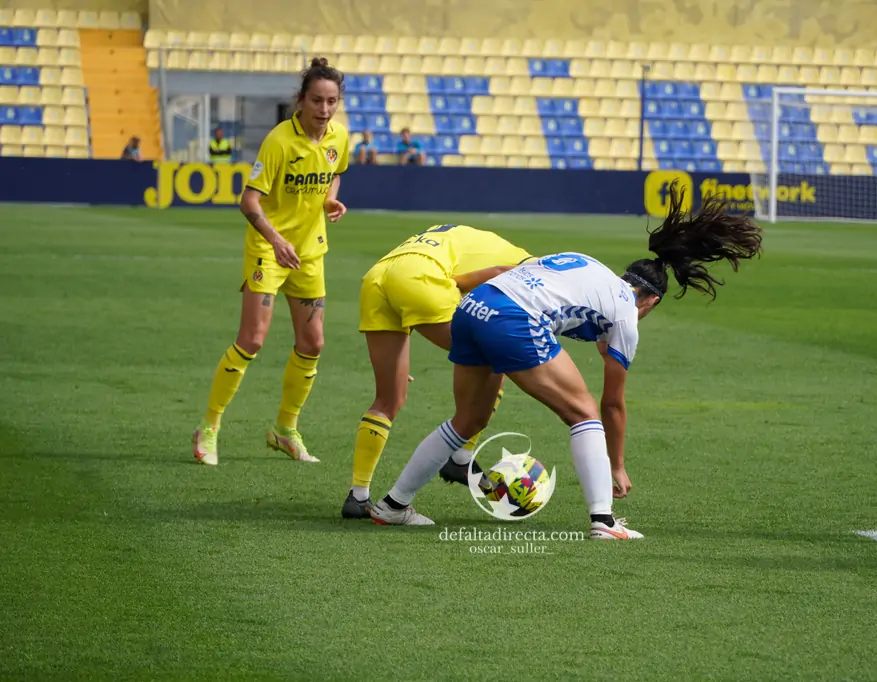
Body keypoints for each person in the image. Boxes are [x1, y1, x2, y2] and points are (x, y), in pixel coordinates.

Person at [368, 182, 763, 539]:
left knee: (468, 420)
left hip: (474, 307)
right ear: (652, 301)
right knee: (584, 412)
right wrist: (617, 466)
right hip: (513, 318)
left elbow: (509, 272)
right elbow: (613, 405)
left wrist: (455, 287)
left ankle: (393, 505)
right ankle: (604, 522)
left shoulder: (583, 263)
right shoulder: (627, 312)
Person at [192, 57, 350, 466]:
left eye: (332, 100)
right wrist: (276, 241)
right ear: (301, 100)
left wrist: (331, 198)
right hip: (270, 248)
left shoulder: (339, 138)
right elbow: (249, 201)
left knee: (313, 343)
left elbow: (336, 171)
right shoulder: (280, 141)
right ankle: (208, 427)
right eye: (317, 100)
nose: (324, 109)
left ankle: (285, 429)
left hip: (310, 251)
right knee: (253, 339)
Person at [342, 224, 535, 518]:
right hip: (420, 278)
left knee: (388, 399)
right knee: (493, 355)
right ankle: (461, 456)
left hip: (379, 276)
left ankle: (358, 496)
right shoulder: (534, 268)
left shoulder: (474, 238)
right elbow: (494, 274)